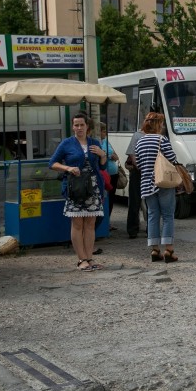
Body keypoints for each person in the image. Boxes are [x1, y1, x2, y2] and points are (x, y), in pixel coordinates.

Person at [48, 112, 108, 272]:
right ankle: (81, 259)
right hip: (75, 187)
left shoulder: (94, 142)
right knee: (77, 223)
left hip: (93, 187)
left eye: (82, 124)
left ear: (87, 126)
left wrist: (103, 155)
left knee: (90, 223)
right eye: (76, 125)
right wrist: (67, 168)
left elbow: (102, 167)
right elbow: (52, 163)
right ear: (73, 126)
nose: (79, 128)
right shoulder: (67, 144)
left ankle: (90, 258)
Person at [135, 112, 179, 263]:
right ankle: (169, 250)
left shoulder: (140, 142)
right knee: (167, 215)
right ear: (158, 124)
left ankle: (155, 250)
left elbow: (139, 164)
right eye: (162, 123)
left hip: (147, 185)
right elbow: (172, 158)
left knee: (152, 216)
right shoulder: (162, 140)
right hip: (163, 182)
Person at [124, 125, 145, 239]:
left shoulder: (158, 135)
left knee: (137, 201)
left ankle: (134, 229)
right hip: (140, 171)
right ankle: (133, 229)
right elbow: (132, 154)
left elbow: (132, 154)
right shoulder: (138, 135)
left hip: (140, 170)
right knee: (136, 201)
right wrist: (141, 167)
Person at [99, 125, 120, 216]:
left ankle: (109, 220)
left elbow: (116, 156)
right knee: (104, 197)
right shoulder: (96, 142)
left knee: (111, 198)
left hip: (113, 174)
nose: (105, 133)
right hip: (104, 174)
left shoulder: (106, 141)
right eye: (103, 131)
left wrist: (111, 156)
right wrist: (108, 156)